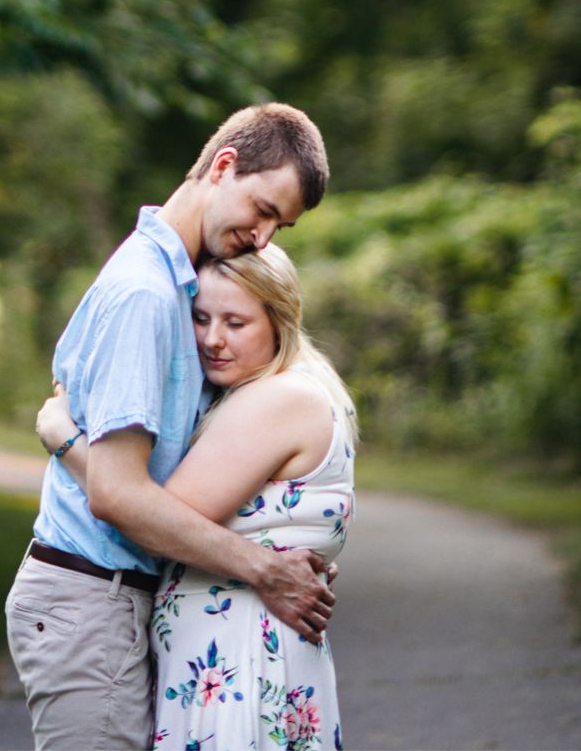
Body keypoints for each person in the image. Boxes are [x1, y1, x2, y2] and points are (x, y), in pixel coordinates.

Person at [5, 103, 336, 751]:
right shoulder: (146, 295)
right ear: (223, 165)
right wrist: (264, 568)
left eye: (281, 224)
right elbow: (118, 492)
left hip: (117, 600)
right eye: (263, 209)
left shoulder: (174, 286)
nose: (264, 236)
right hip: (90, 600)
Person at [40, 242, 357, 751]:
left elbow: (158, 516)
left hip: (237, 662)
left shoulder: (277, 398)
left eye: (236, 323)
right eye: (201, 318)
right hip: (236, 654)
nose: (212, 339)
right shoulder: (294, 389)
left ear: (280, 320)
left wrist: (66, 439)